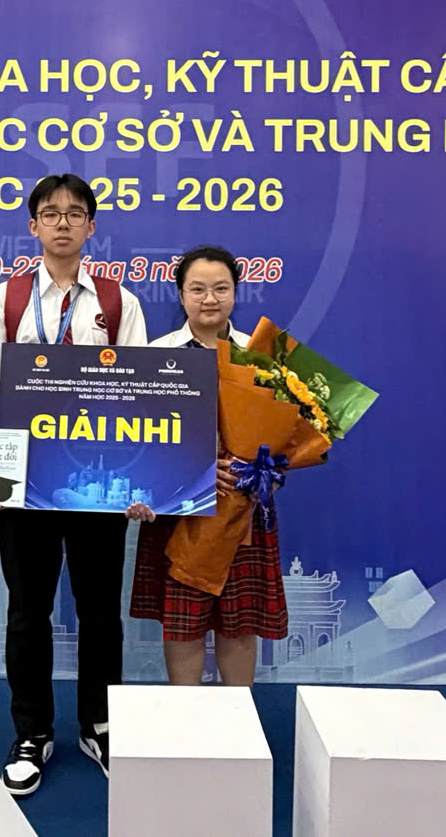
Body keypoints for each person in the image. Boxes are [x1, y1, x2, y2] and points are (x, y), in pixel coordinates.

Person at [0, 174, 148, 797]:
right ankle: (31, 732)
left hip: (97, 478)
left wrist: (144, 481)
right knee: (27, 609)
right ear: (33, 226)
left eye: (75, 213)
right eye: (51, 213)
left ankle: (99, 724)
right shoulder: (3, 301)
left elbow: (140, 397)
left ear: (92, 227)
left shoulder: (119, 302)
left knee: (100, 611)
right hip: (19, 473)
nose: (63, 223)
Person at [129, 245, 288, 686]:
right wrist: (176, 477)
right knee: (182, 624)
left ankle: (239, 719)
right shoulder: (155, 355)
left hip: (242, 505)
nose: (210, 299)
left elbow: (288, 435)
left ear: (236, 292)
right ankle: (186, 719)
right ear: (181, 294)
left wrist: (266, 472)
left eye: (221, 288)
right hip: (178, 510)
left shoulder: (260, 354)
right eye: (197, 289)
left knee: (239, 623)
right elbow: (137, 439)